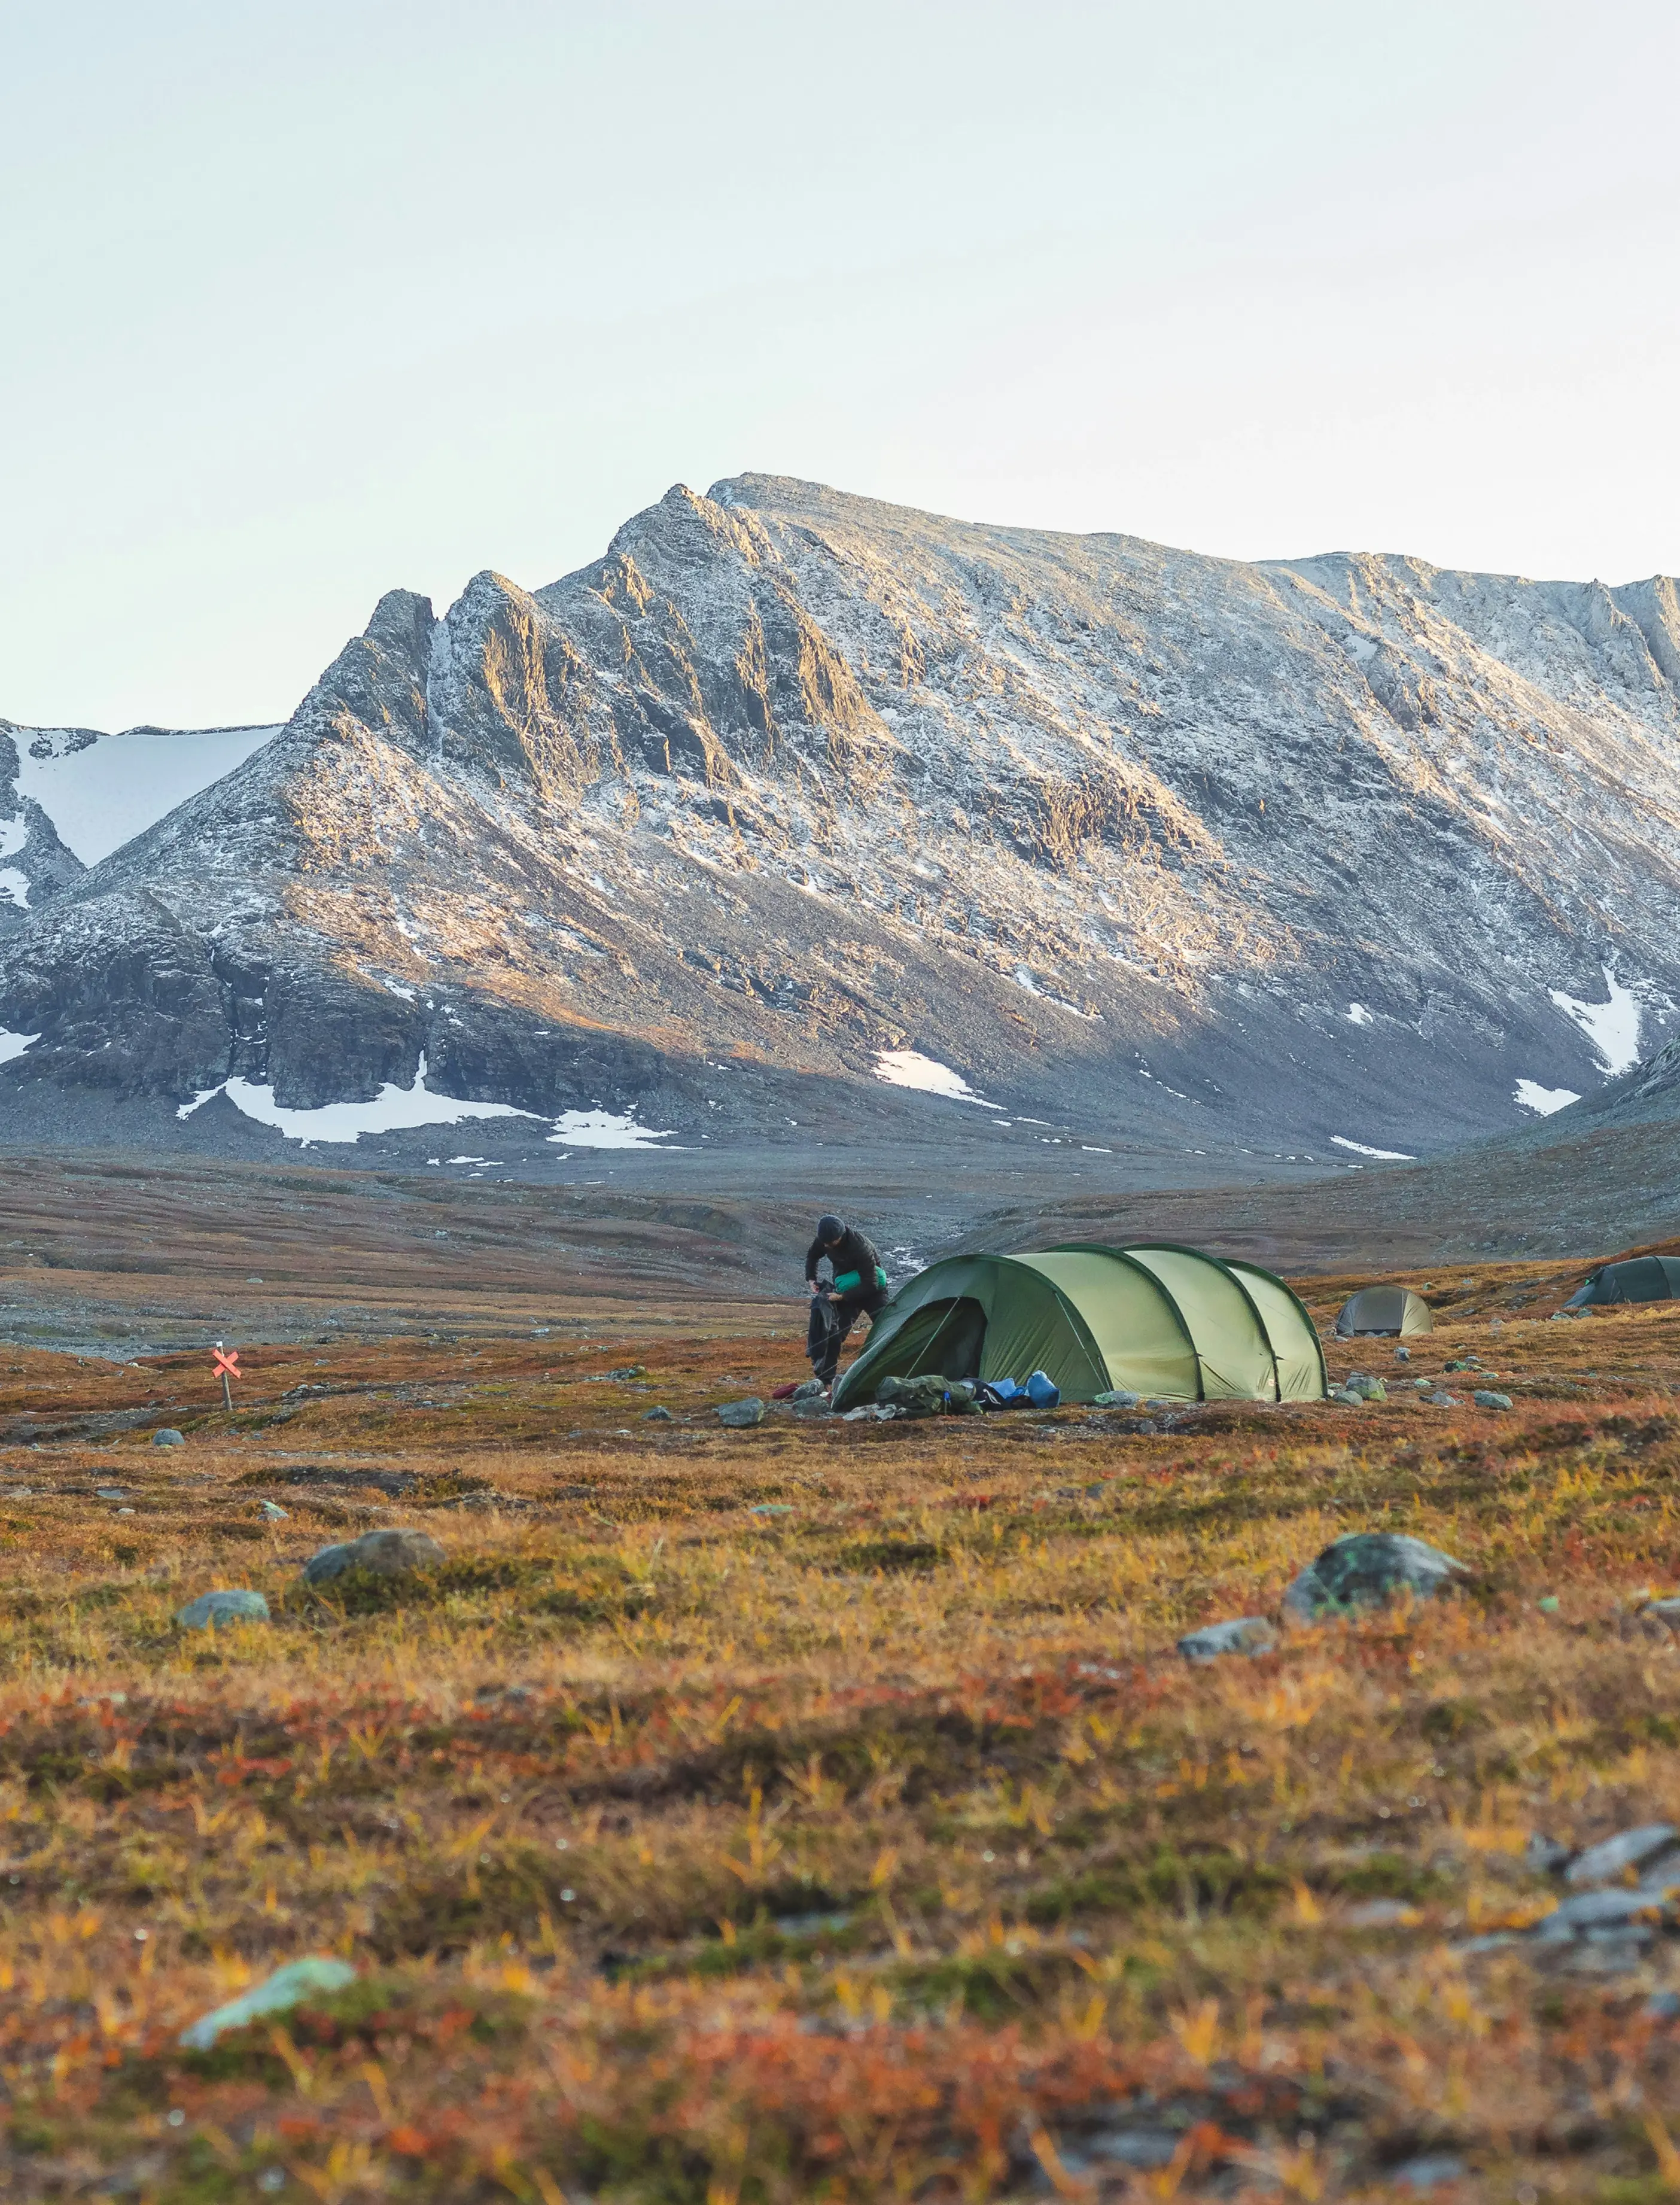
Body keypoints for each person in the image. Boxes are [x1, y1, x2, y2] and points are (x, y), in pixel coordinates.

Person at [804, 1213, 889, 1390]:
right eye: (824, 1243)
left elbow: (871, 1283)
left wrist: (843, 1297)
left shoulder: (860, 1246)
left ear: (841, 1236)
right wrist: (812, 1279)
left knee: (888, 1330)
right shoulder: (825, 1239)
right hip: (845, 1288)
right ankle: (826, 1381)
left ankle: (892, 1374)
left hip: (872, 1292)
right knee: (834, 1333)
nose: (827, 1246)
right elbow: (812, 1256)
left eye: (831, 1243)